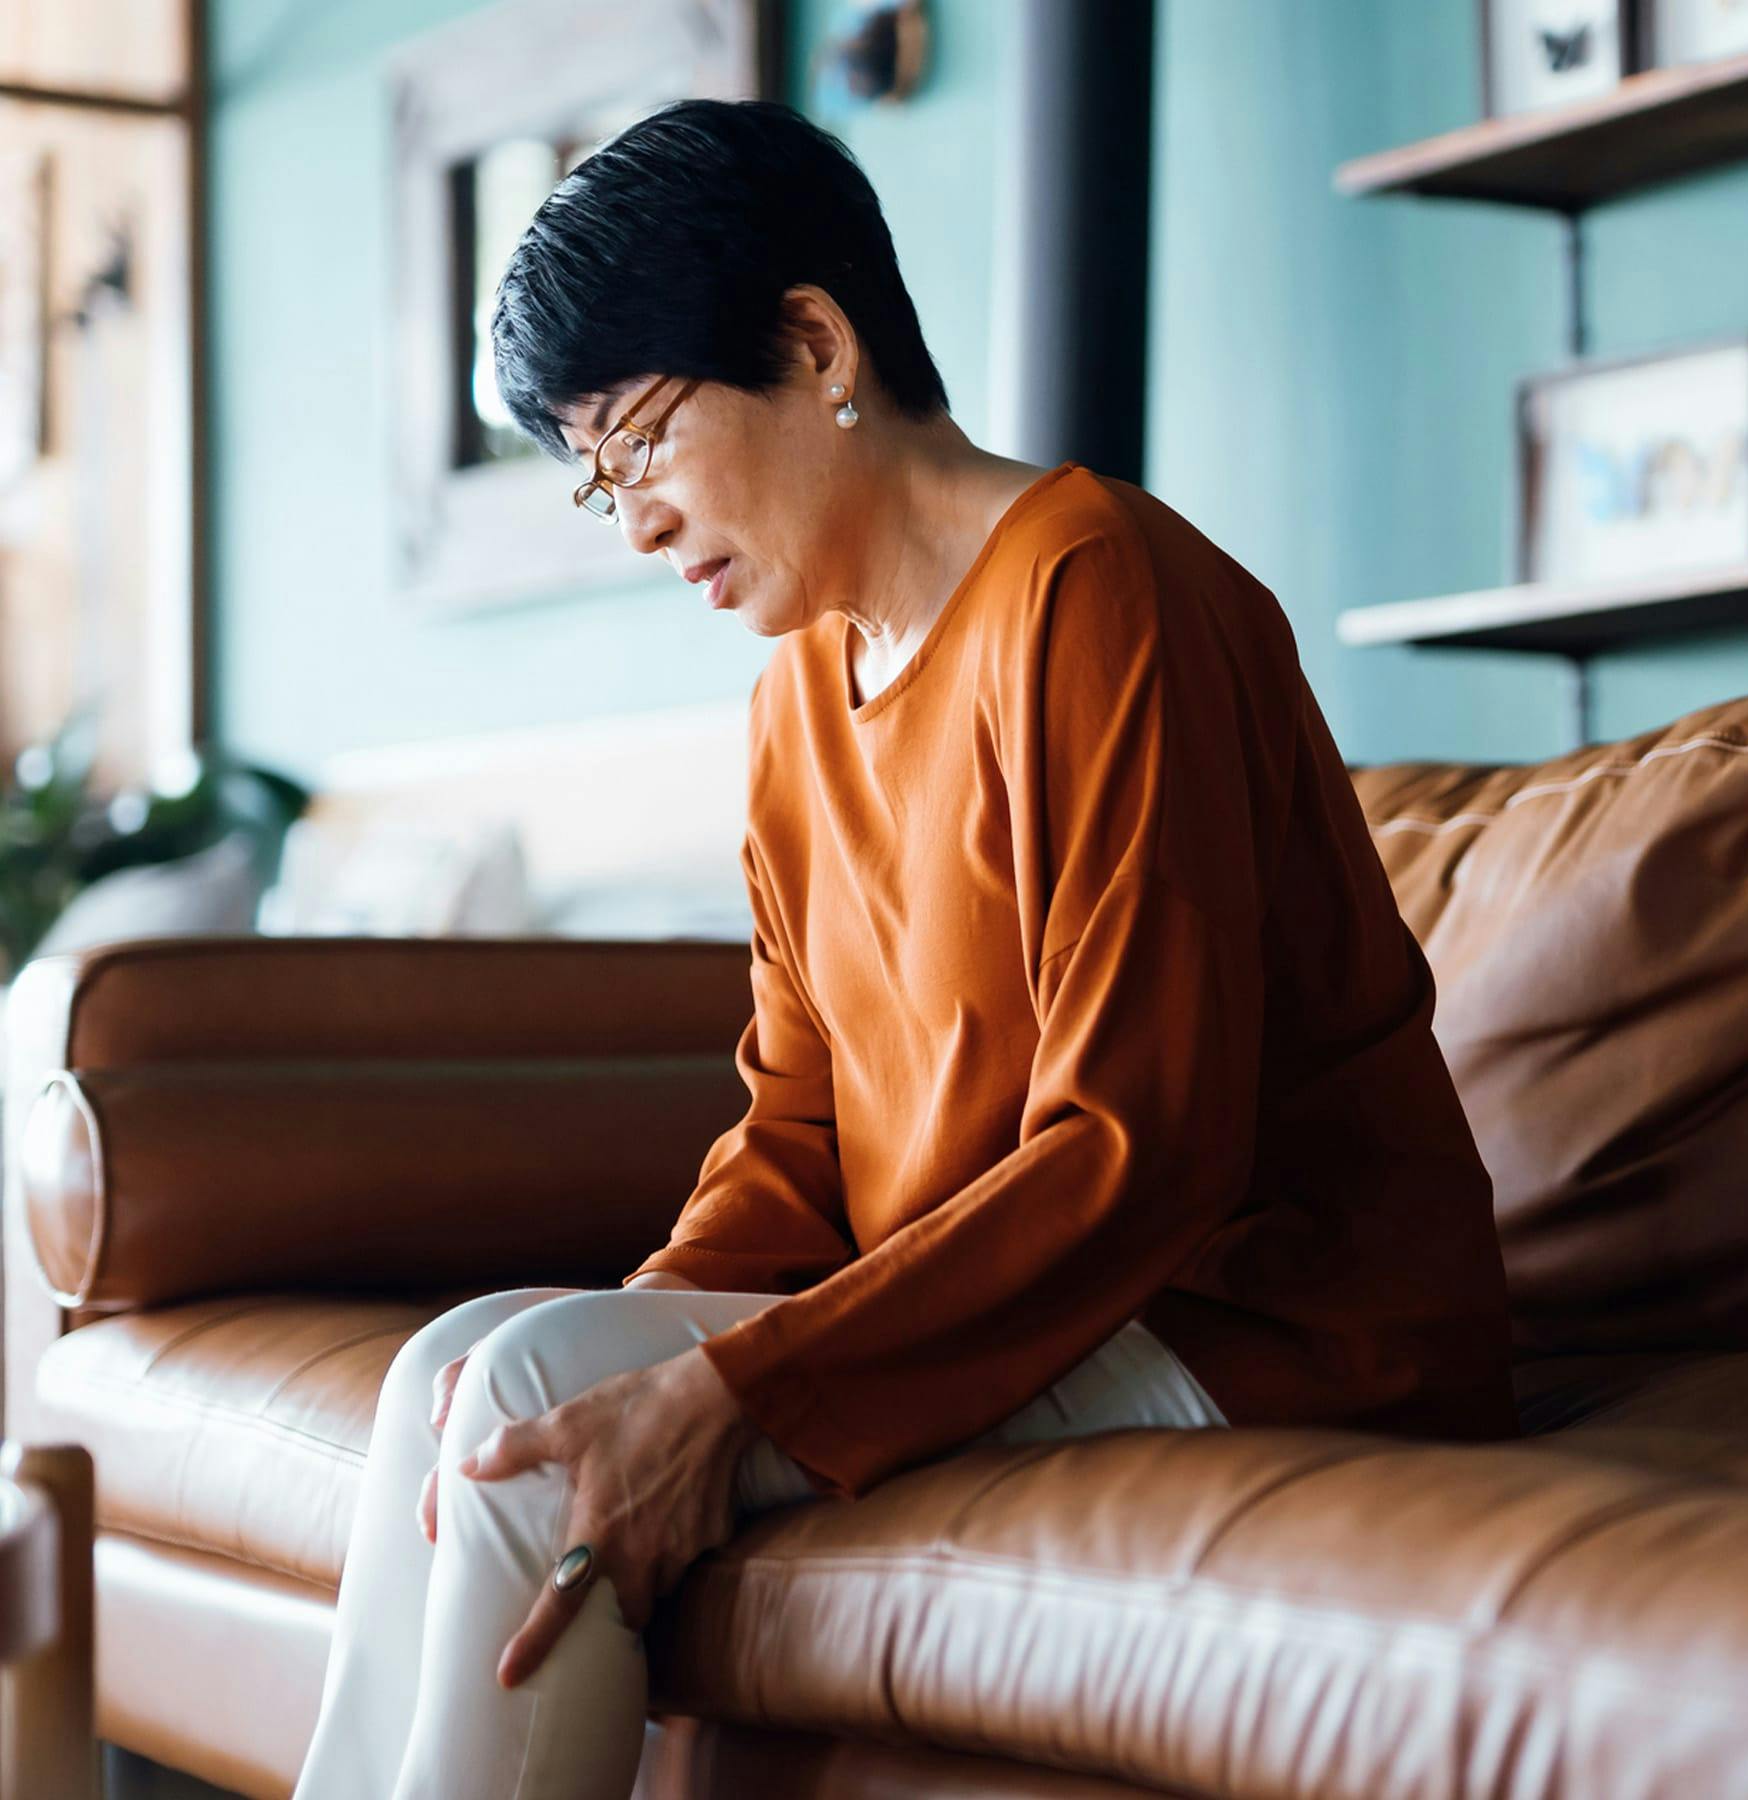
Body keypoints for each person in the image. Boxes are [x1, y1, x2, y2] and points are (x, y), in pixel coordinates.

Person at [291, 96, 1517, 1800]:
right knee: (470, 1382)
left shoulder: (1101, 590)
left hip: (1261, 1323)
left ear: (812, 342)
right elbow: (796, 1127)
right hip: (1040, 1308)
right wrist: (645, 1342)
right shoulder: (800, 692)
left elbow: (1140, 1152)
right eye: (594, 480)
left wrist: (721, 1399)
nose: (632, 521)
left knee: (525, 1401)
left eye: (638, 443)